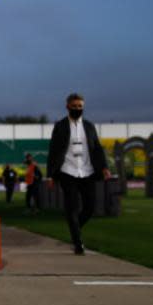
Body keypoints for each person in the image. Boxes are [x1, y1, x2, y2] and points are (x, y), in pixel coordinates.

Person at [47, 93, 110, 254]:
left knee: (89, 208)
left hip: (87, 171)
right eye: (74, 106)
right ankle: (78, 243)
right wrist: (50, 175)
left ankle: (75, 228)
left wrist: (104, 167)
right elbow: (53, 151)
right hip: (67, 171)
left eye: (80, 106)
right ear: (67, 106)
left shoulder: (89, 126)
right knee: (72, 207)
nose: (77, 109)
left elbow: (97, 148)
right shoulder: (60, 126)